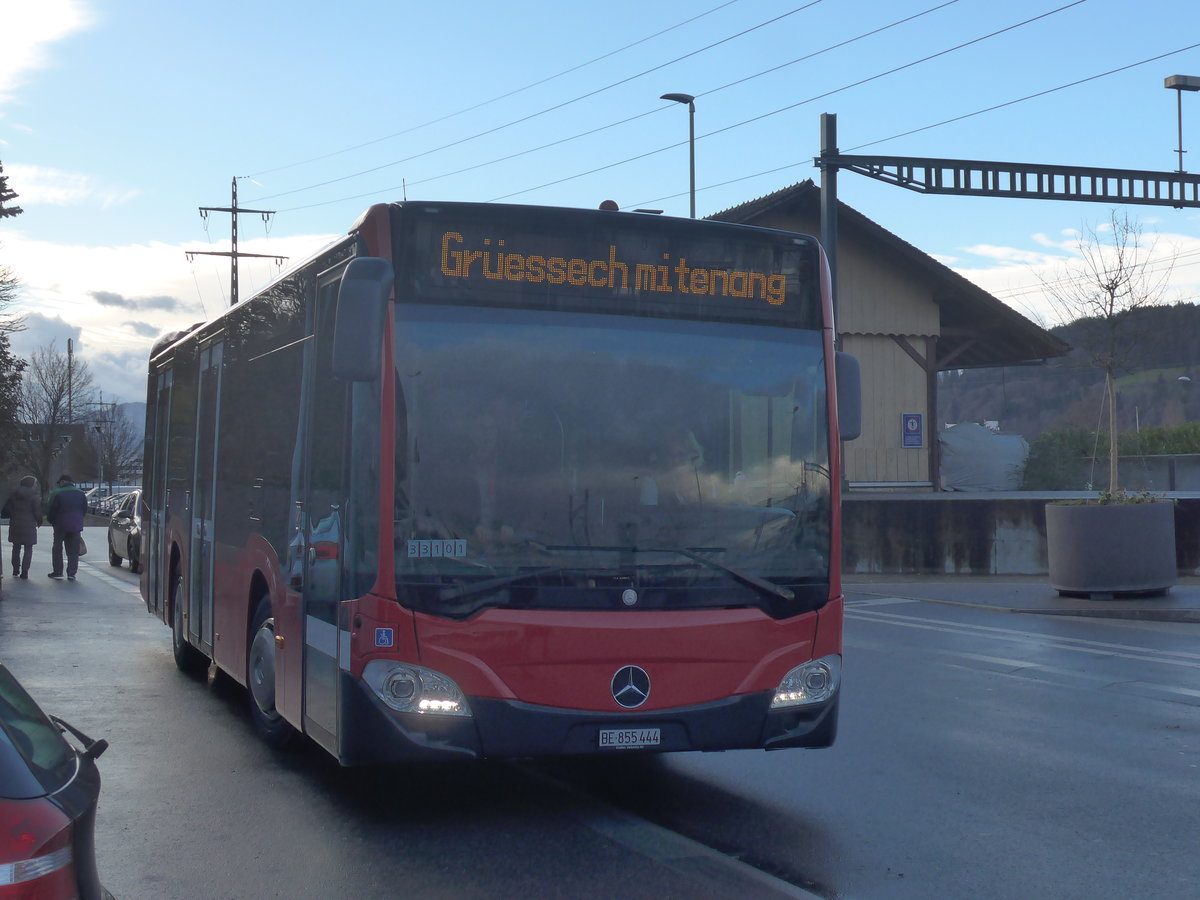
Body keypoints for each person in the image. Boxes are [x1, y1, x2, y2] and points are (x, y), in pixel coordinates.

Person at [44, 474, 88, 580]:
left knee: (57, 548)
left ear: (63, 482)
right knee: (73, 550)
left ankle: (58, 572)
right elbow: (85, 509)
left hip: (60, 525)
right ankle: (72, 573)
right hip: (76, 525)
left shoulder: (57, 493)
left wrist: (51, 520)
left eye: (59, 483)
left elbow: (50, 509)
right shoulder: (81, 493)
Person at [3, 476, 42, 579]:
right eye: (35, 483)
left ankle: (15, 569)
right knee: (28, 548)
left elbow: (6, 510)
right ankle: (25, 571)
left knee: (16, 547)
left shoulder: (14, 494)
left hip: (15, 523)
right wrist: (39, 521)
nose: (36, 485)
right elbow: (37, 511)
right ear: (31, 484)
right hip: (29, 524)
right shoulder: (34, 495)